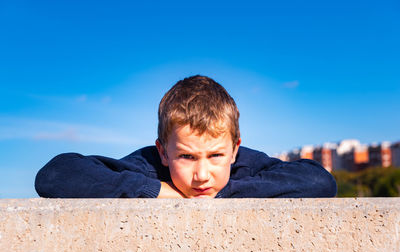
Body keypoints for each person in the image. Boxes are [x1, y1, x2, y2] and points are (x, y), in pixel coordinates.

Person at [35, 75, 337, 198]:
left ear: (234, 149)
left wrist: (225, 194)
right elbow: (54, 175)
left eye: (216, 156)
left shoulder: (245, 164)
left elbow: (319, 181)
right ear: (164, 152)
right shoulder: (150, 166)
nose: (202, 175)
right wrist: (156, 190)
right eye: (187, 157)